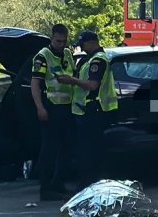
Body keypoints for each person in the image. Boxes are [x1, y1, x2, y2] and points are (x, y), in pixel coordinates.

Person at [61, 30, 119, 188]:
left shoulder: (98, 60)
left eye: (83, 45)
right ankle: (88, 181)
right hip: (84, 110)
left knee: (89, 150)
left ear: (91, 42)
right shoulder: (89, 59)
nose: (82, 48)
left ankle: (89, 183)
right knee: (86, 149)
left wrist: (71, 80)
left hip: (93, 110)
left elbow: (93, 85)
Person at [31, 23, 76, 201]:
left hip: (68, 107)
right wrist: (40, 108)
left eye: (64, 41)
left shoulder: (68, 54)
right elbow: (35, 84)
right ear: (52, 38)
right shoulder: (43, 57)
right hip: (51, 107)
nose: (61, 44)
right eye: (58, 41)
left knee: (66, 149)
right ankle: (46, 188)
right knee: (49, 150)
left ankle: (59, 184)